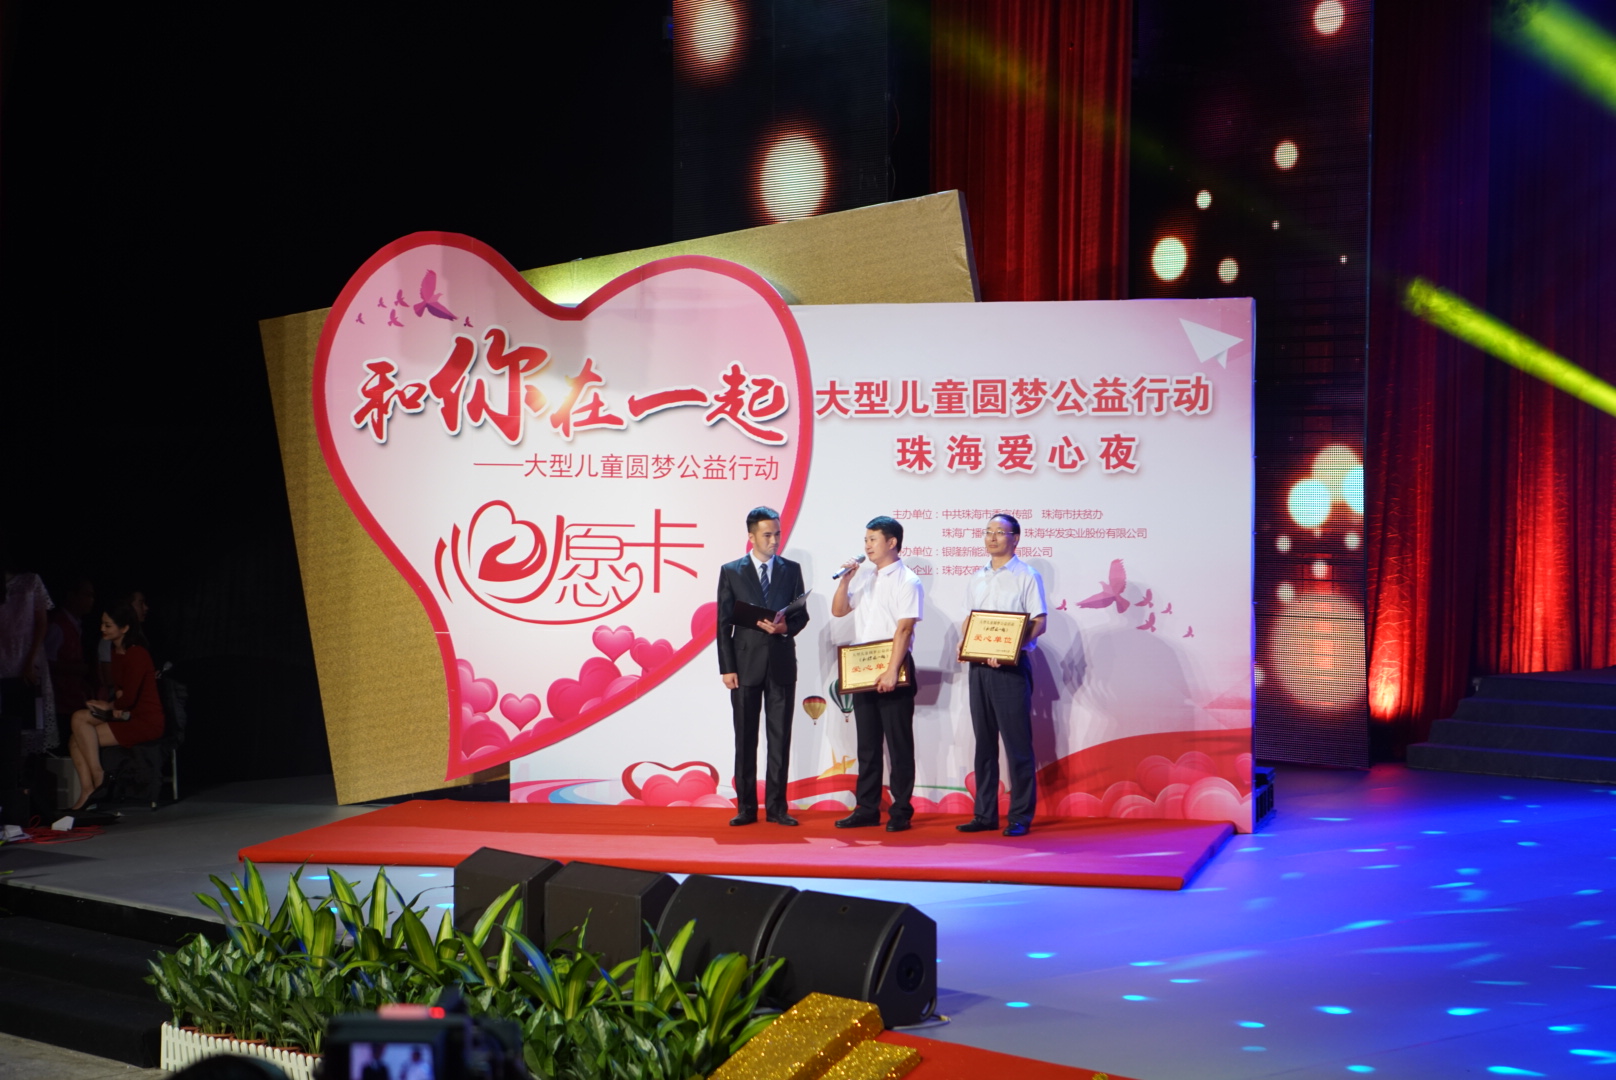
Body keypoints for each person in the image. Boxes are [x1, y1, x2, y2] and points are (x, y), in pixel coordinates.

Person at [716, 507, 809, 826]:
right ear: (751, 537)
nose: (774, 541)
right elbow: (723, 624)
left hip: (781, 664)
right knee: (745, 739)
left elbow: (801, 615)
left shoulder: (791, 569)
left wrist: (785, 628)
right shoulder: (732, 571)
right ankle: (745, 807)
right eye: (767, 535)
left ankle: (777, 808)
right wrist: (727, 668)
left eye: (777, 534)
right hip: (744, 666)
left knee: (780, 738)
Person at [830, 516, 923, 832]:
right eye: (866, 540)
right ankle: (867, 808)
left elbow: (905, 629)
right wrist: (845, 581)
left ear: (892, 542)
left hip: (894, 668)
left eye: (873, 539)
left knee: (899, 744)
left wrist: (891, 670)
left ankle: (901, 811)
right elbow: (839, 610)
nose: (867, 546)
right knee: (867, 746)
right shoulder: (867, 578)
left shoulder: (908, 580)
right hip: (862, 668)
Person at [957, 513, 1047, 837]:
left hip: (1010, 669)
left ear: (1015, 538)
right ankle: (984, 814)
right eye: (988, 531)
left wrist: (1008, 649)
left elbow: (1039, 622)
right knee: (984, 743)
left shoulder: (1027, 576)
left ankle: (1020, 816)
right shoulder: (977, 577)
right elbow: (970, 619)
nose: (992, 537)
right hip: (978, 668)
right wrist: (963, 641)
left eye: (1000, 532)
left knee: (1016, 744)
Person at [68, 602, 165, 810]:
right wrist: (112, 704)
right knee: (78, 718)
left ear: (125, 628)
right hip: (125, 712)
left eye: (108, 625)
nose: (102, 629)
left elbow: (128, 697)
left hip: (144, 720)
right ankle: (90, 788)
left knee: (77, 740)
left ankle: (96, 782)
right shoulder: (115, 650)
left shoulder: (137, 653)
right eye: (102, 624)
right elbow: (120, 690)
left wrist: (109, 705)